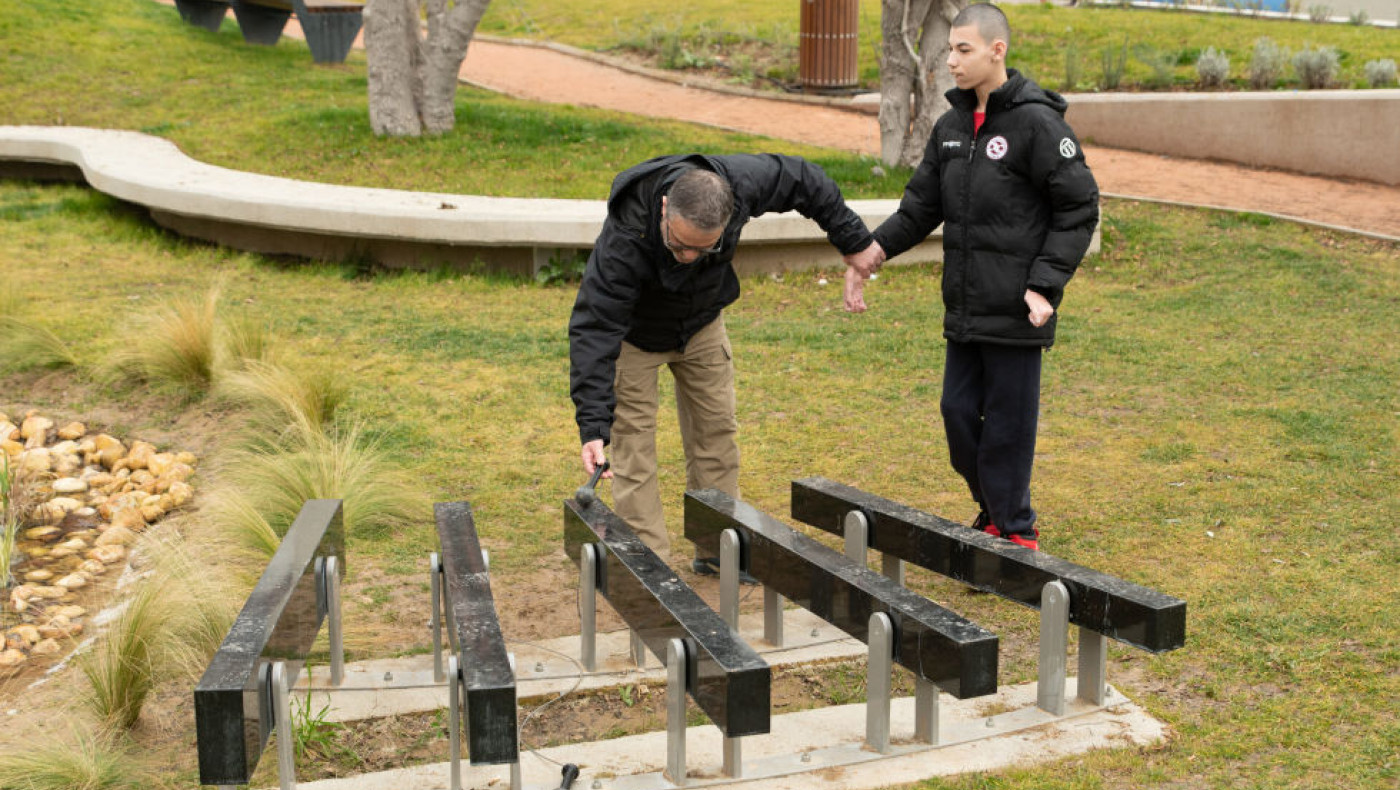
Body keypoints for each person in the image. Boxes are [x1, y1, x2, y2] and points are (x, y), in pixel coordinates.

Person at [845, 3, 1099, 551]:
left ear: (996, 50)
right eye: (949, 50)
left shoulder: (1038, 123)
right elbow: (920, 208)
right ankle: (994, 508)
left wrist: (1044, 284)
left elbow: (1079, 209)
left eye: (963, 50)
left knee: (1007, 425)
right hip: (963, 307)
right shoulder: (952, 126)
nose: (951, 61)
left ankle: (1014, 530)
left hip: (1016, 307)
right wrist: (873, 251)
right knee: (958, 416)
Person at [569, 153, 882, 571]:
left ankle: (718, 551)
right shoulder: (626, 236)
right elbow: (595, 325)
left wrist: (854, 240)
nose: (688, 257)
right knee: (634, 452)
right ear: (664, 209)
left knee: (716, 435)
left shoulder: (740, 184)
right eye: (678, 244)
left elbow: (806, 180)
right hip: (635, 337)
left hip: (701, 324)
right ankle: (650, 569)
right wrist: (592, 425)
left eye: (704, 248)